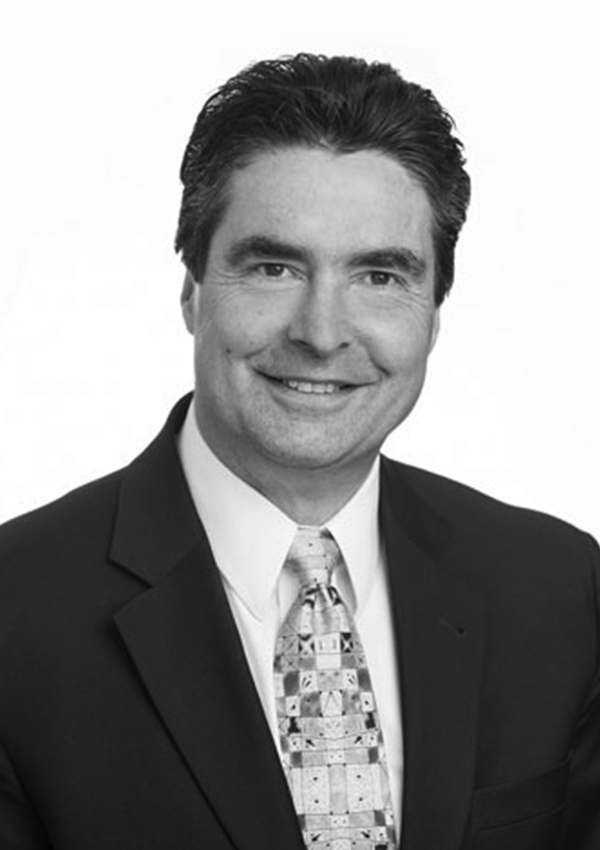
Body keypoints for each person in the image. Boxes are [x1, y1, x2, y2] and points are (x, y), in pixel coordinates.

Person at [0, 53, 598, 850]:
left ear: (433, 315)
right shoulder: (17, 612)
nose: (321, 333)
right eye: (275, 266)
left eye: (380, 276)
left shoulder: (557, 589)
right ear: (192, 292)